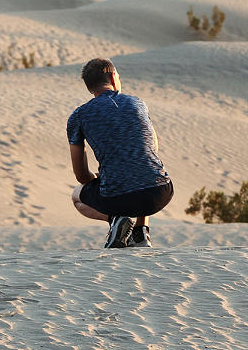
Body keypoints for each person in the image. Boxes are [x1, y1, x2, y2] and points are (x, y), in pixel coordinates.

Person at [67, 57, 174, 248]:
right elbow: (151, 150)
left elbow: (81, 176)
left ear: (89, 87)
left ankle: (116, 219)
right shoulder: (137, 103)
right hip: (162, 191)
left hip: (119, 198)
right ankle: (140, 232)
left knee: (77, 195)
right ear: (113, 77)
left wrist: (98, 176)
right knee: (142, 170)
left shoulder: (78, 116)